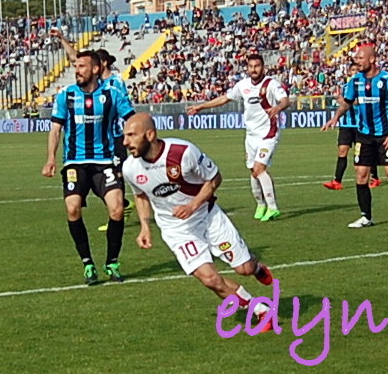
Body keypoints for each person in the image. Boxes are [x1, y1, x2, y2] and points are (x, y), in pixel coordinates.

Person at [121, 113, 275, 328]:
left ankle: (256, 266)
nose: (125, 142)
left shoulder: (183, 152)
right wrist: (145, 227)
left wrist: (192, 206)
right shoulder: (130, 168)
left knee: (244, 269)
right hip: (176, 230)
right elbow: (140, 195)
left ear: (150, 134)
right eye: (124, 136)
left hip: (208, 216)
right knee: (210, 279)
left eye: (131, 135)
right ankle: (260, 310)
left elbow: (215, 178)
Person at [42, 49, 136, 285]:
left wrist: (139, 145)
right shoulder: (66, 96)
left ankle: (112, 262)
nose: (77, 71)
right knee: (72, 208)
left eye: (82, 66)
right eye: (76, 67)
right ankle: (87, 264)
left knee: (116, 210)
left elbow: (131, 121)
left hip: (105, 160)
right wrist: (51, 158)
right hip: (75, 162)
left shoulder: (113, 93)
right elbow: (55, 129)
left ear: (95, 69)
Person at [186, 53, 292, 221]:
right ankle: (261, 205)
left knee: (259, 169)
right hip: (251, 135)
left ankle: (273, 208)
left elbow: (286, 100)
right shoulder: (243, 85)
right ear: (247, 68)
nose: (254, 69)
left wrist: (278, 108)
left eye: (257, 66)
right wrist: (201, 107)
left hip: (268, 133)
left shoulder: (271, 84)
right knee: (252, 171)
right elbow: (224, 98)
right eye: (251, 66)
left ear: (263, 67)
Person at [323, 42, 388, 229]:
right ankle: (365, 216)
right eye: (356, 58)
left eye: (360, 58)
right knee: (361, 175)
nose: (357, 61)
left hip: (385, 135)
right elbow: (346, 102)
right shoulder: (355, 81)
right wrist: (335, 117)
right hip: (364, 135)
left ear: (372, 59)